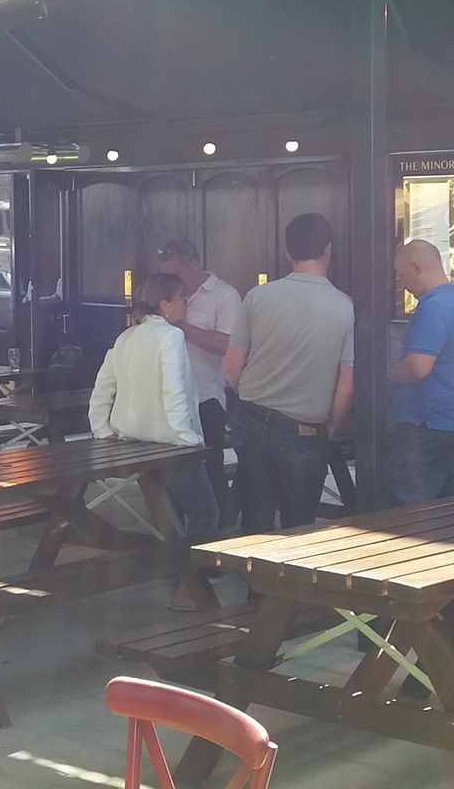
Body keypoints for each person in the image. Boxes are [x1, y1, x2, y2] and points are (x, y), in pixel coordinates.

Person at [87, 270, 218, 610]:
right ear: (165, 304)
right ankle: (188, 584)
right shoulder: (171, 336)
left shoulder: (126, 337)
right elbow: (174, 389)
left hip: (134, 439)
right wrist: (186, 437)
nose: (185, 304)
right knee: (205, 512)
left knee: (168, 515)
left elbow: (103, 387)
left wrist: (102, 428)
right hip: (171, 443)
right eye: (181, 299)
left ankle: (177, 579)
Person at [223, 213, 354, 534]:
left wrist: (248, 398)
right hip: (304, 429)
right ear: (328, 249)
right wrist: (330, 427)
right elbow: (347, 383)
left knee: (255, 518)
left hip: (252, 417)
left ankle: (253, 568)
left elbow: (232, 367)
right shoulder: (346, 307)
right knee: (299, 527)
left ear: (287, 251)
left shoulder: (258, 296)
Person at [385, 238, 454, 507]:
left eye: (403, 276)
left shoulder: (434, 308)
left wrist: (383, 375)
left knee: (409, 507)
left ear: (417, 267)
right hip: (452, 422)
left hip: (425, 425)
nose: (403, 284)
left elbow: (418, 367)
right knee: (442, 507)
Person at [157, 237, 241, 524]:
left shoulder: (224, 295)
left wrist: (180, 326)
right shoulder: (164, 294)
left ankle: (217, 533)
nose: (170, 281)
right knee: (169, 471)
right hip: (168, 398)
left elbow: (227, 344)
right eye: (166, 275)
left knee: (208, 468)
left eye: (176, 274)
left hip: (206, 397)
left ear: (195, 264)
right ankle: (175, 533)